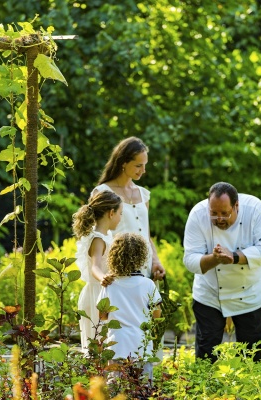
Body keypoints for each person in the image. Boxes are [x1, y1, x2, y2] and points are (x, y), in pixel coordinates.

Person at [183, 182, 261, 362]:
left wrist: (234, 257)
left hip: (249, 294)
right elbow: (190, 260)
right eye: (214, 214)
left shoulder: (255, 209)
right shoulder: (197, 214)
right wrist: (214, 258)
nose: (219, 219)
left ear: (237, 206)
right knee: (205, 357)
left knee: (250, 358)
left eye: (225, 213)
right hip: (210, 295)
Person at [92, 137, 166, 282]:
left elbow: (146, 234)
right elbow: (97, 234)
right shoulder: (102, 192)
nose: (143, 171)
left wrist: (155, 261)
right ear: (123, 163)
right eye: (138, 165)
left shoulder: (143, 194)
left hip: (144, 270)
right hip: (117, 270)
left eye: (145, 165)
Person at [98, 232, 162, 382]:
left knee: (116, 389)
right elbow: (157, 315)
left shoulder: (109, 284)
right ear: (142, 257)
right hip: (141, 346)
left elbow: (102, 316)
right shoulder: (148, 284)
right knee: (143, 388)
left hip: (117, 345)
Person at [72, 190, 123, 350]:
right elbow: (95, 265)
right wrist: (103, 278)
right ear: (111, 213)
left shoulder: (106, 236)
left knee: (105, 345)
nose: (121, 218)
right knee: (98, 347)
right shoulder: (98, 239)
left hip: (102, 293)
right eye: (120, 213)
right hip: (96, 295)